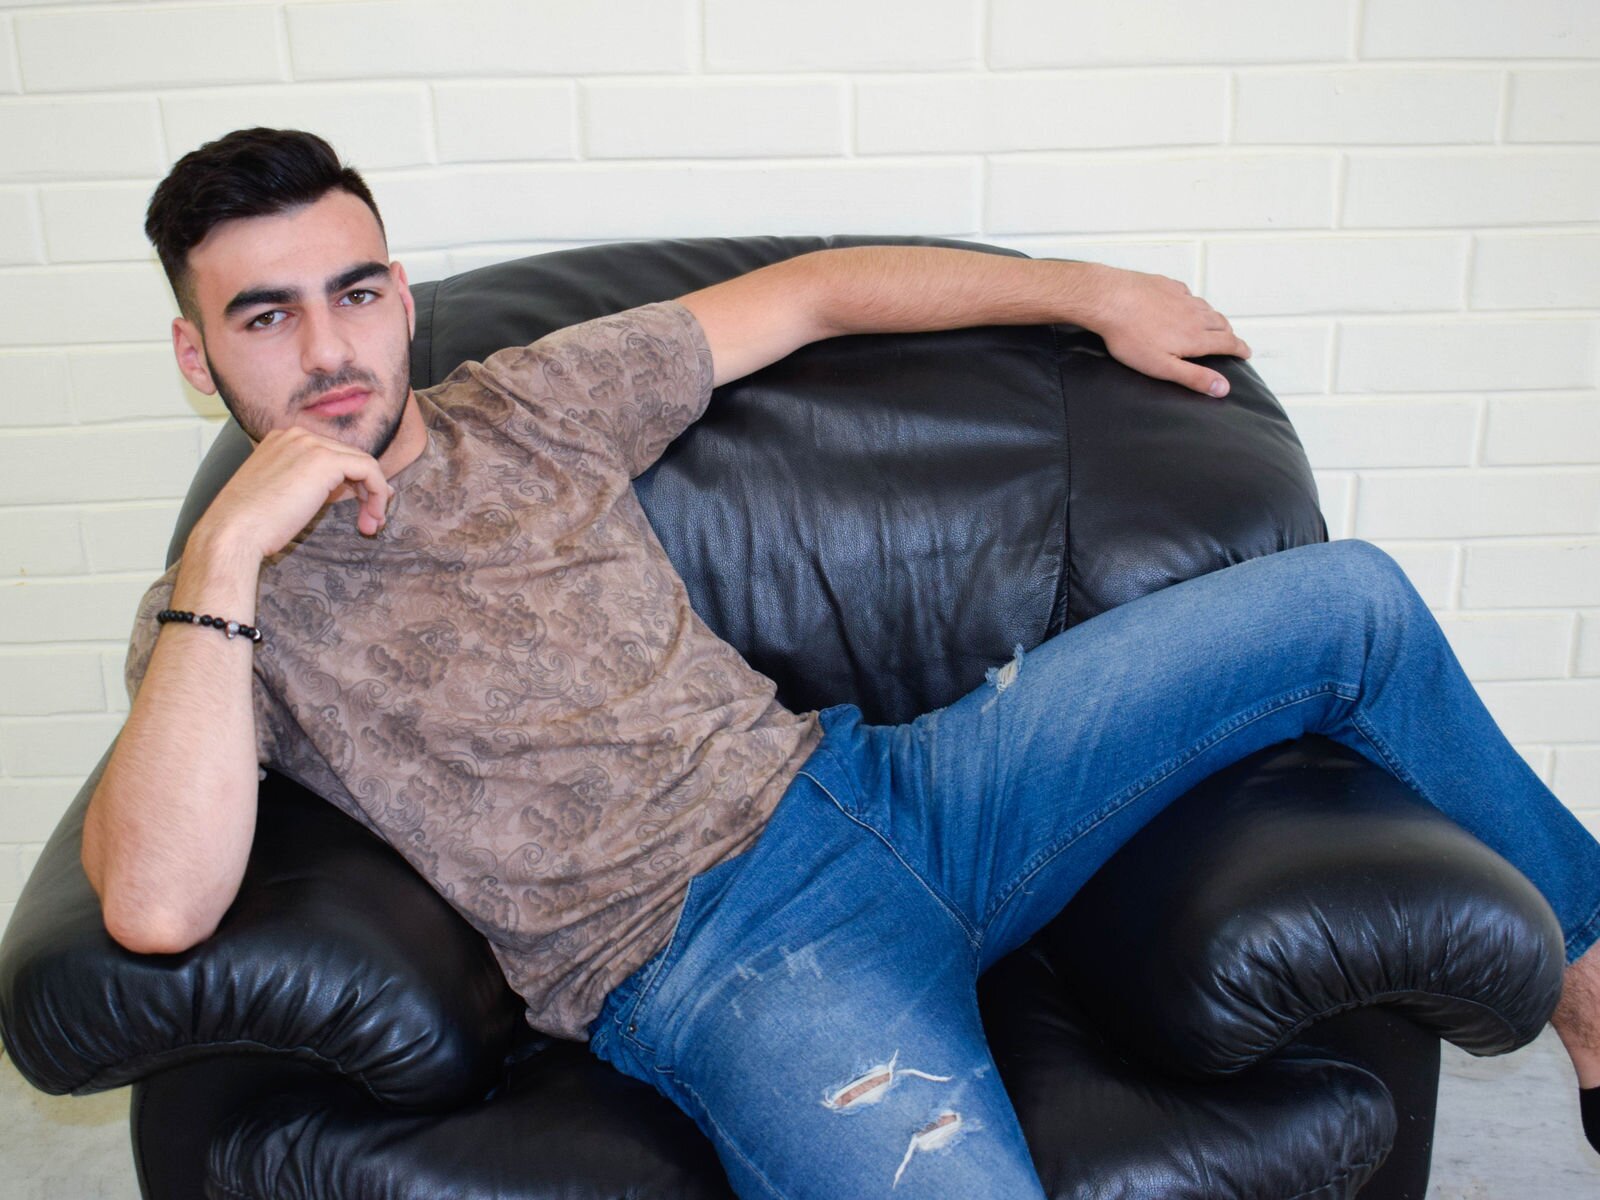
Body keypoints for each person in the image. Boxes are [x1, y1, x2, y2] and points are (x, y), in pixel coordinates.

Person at [83, 127, 1600, 1198]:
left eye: (354, 293)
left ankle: (1594, 1010)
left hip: (905, 790)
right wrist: (229, 556)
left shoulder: (530, 402)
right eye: (265, 317)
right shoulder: (220, 613)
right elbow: (156, 905)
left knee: (1348, 601)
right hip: (716, 963)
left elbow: (810, 294)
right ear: (196, 356)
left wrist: (1089, 291)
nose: (328, 350)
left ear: (402, 296)